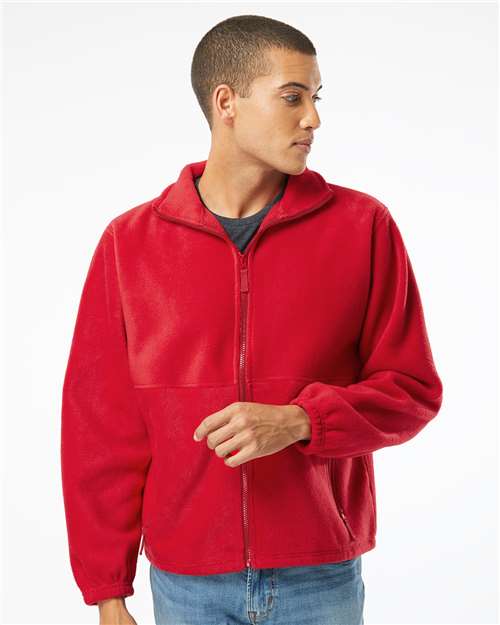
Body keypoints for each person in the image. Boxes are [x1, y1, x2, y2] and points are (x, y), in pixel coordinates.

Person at [60, 14, 443, 625]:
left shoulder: (361, 227)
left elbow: (413, 391)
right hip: (187, 583)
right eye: (292, 97)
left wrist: (301, 420)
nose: (313, 118)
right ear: (227, 102)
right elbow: (100, 429)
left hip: (319, 575)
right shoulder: (130, 244)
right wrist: (108, 590)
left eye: (316, 98)